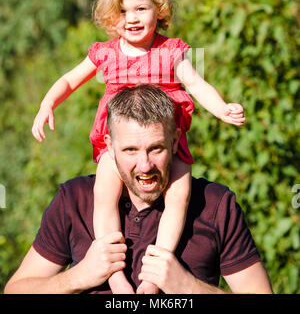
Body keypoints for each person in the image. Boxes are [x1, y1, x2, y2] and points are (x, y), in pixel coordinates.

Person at [31, 0, 246, 294]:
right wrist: (48, 104)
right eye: (122, 10)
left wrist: (222, 109)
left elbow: (197, 84)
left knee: (179, 196)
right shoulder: (107, 53)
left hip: (165, 143)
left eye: (140, 9)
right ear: (110, 15)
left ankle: (153, 273)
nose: (131, 18)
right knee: (103, 196)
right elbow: (69, 79)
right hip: (118, 143)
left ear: (158, 10)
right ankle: (115, 275)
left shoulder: (170, 51)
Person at [6, 85, 272, 295]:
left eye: (156, 148)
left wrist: (189, 288)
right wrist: (78, 277)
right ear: (108, 145)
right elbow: (15, 290)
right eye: (130, 150)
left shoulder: (216, 205)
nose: (145, 165)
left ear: (175, 140)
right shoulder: (73, 200)